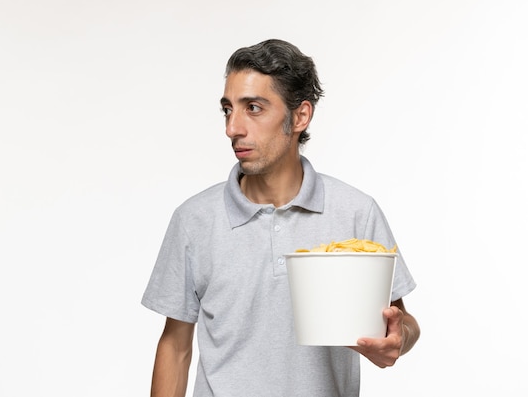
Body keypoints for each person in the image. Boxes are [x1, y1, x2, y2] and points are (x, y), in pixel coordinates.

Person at [141, 39, 420, 397]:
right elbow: (176, 347)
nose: (232, 128)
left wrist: (399, 339)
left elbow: (402, 321)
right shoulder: (194, 220)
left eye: (253, 108)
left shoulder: (355, 212)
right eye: (228, 110)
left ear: (300, 116)